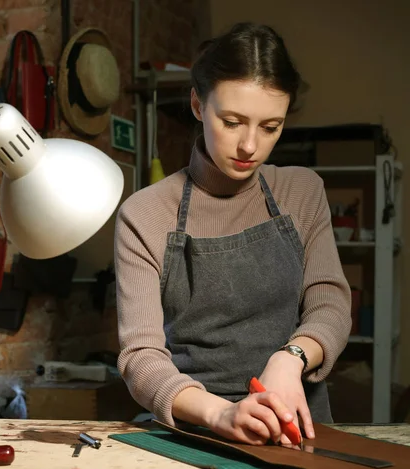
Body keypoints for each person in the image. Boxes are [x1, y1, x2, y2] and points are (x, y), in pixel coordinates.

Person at [114, 22, 351, 446]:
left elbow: (330, 303)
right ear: (197, 105)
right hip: (195, 429)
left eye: (270, 127)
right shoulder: (145, 214)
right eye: (232, 121)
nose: (249, 146)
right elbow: (141, 357)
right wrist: (219, 413)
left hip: (294, 426)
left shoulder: (302, 191)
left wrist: (290, 357)